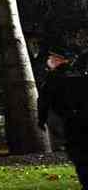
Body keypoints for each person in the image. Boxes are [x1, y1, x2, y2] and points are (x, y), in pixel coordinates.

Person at [39, 44, 88, 188]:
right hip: (76, 121)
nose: (49, 60)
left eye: (52, 57)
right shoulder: (79, 75)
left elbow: (44, 101)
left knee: (81, 159)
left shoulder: (53, 79)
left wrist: (41, 120)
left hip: (73, 124)